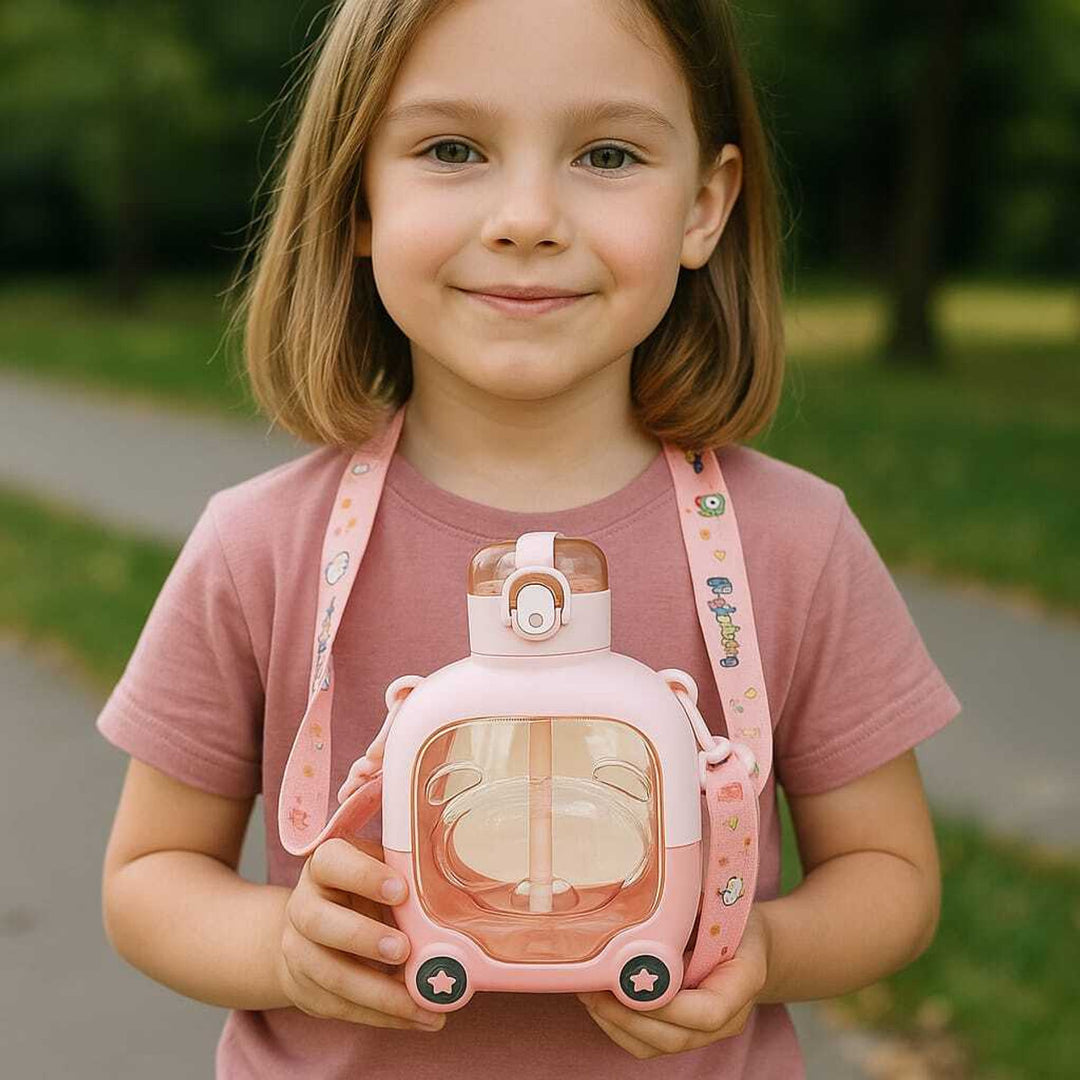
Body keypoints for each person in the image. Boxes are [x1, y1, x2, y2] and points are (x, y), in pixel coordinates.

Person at [95, 0, 963, 1076]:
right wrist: (286, 948)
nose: (526, 215)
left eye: (606, 153)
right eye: (451, 148)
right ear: (354, 196)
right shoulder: (260, 547)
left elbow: (891, 875)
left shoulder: (794, 545)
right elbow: (148, 876)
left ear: (704, 206)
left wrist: (761, 946)